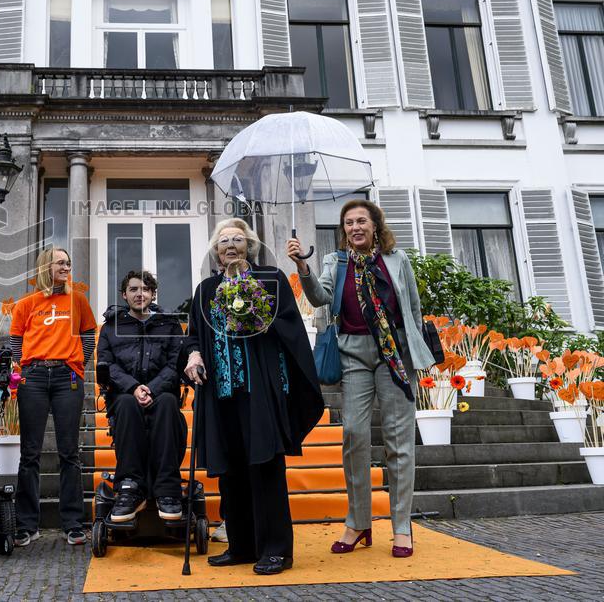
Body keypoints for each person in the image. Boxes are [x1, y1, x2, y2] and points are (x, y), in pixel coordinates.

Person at [288, 199, 434, 559]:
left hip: (394, 353)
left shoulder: (398, 260)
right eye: (348, 222)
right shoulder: (334, 262)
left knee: (399, 440)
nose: (355, 227)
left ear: (375, 226)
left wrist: (414, 351)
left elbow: (412, 308)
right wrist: (302, 266)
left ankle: (401, 526)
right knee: (353, 434)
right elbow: (320, 297)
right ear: (344, 229)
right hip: (352, 352)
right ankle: (358, 522)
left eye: (361, 221)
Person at [182, 218, 324, 575]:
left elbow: (290, 328)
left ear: (251, 246)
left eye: (238, 240)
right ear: (216, 250)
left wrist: (255, 307)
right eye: (224, 240)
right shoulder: (205, 289)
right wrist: (193, 356)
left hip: (261, 389)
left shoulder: (271, 281)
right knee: (230, 469)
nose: (231, 245)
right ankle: (242, 545)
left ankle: (276, 549)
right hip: (221, 391)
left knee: (265, 467)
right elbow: (194, 335)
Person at [9, 247, 96, 547]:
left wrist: (77, 364)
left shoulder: (78, 300)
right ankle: (26, 524)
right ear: (46, 266)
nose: (66, 267)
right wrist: (26, 367)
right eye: (61, 262)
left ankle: (72, 523)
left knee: (69, 452)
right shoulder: (26, 304)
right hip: (33, 377)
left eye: (69, 263)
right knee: (29, 453)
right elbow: (15, 341)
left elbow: (88, 336)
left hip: (66, 377)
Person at [96, 270, 185, 522]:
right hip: (124, 395)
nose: (140, 294)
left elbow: (174, 364)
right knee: (125, 404)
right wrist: (134, 387)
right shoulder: (111, 327)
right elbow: (106, 364)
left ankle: (168, 489)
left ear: (153, 294)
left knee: (168, 402)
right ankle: (130, 487)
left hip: (162, 394)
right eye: (134, 289)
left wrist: (152, 389)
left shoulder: (169, 324)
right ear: (124, 294)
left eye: (145, 289)